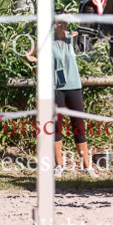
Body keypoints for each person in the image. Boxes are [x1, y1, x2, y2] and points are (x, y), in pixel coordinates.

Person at [25, 9, 95, 178]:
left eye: (65, 22)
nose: (64, 25)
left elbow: (88, 28)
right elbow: (28, 55)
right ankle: (59, 166)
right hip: (55, 89)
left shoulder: (73, 37)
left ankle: (87, 167)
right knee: (56, 127)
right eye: (60, 22)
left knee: (79, 125)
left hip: (74, 87)